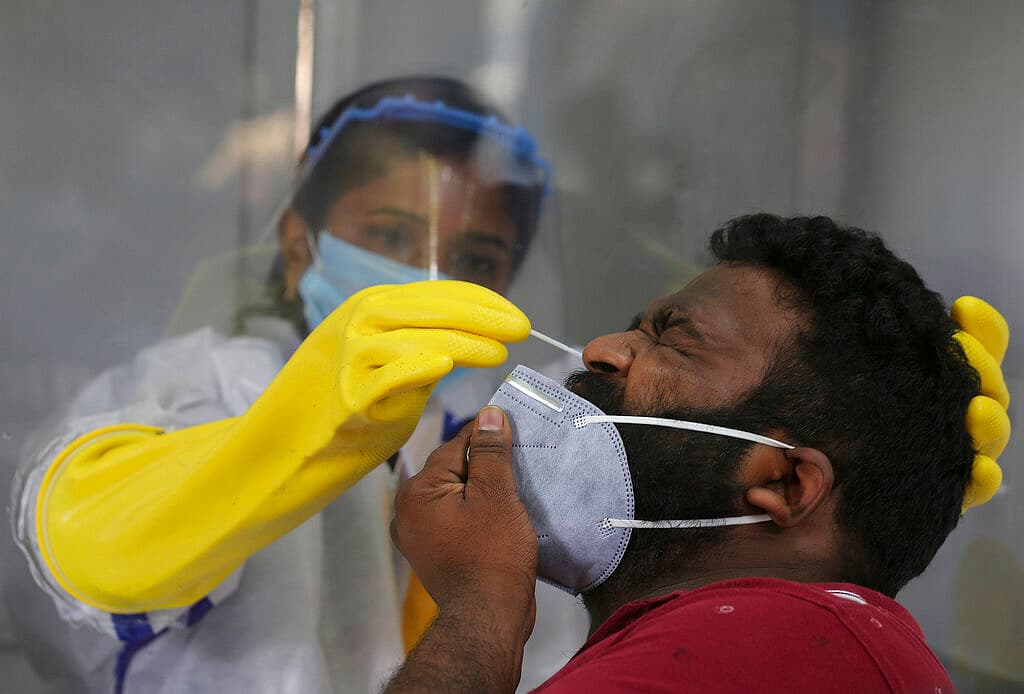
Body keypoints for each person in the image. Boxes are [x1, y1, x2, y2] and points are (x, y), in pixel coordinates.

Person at [9, 75, 586, 694]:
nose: (432, 280)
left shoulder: (520, 435)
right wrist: (304, 430)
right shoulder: (210, 386)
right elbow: (81, 544)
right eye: (391, 236)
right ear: (297, 249)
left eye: (475, 260)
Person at [386, 213, 1011, 693]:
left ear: (786, 484)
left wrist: (482, 607)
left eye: (674, 339)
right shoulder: (803, 642)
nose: (601, 349)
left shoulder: (767, 644)